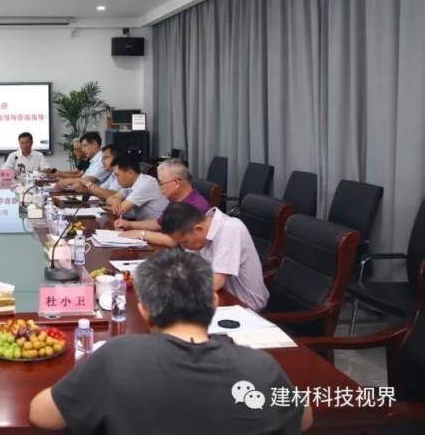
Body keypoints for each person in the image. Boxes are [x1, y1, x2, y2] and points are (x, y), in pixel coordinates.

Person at [28, 248, 312, 435]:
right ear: (214, 303)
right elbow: (304, 418)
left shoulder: (117, 356)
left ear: (143, 310)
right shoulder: (260, 367)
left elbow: (42, 415)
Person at [161, 202, 269, 311]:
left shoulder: (231, 229)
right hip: (220, 297)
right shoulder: (199, 233)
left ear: (199, 229)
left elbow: (217, 280)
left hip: (245, 306)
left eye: (184, 242)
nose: (183, 247)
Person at [116, 159, 211, 246]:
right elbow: (159, 223)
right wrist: (129, 224)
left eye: (161, 183)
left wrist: (141, 234)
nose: (159, 187)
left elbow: (175, 240)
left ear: (176, 183)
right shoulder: (176, 199)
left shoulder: (196, 206)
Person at [102, 154, 169, 222]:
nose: (116, 179)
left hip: (159, 227)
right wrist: (115, 200)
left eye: (117, 175)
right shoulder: (130, 184)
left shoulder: (146, 183)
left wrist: (113, 205)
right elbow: (109, 199)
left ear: (130, 173)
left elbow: (120, 210)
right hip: (142, 224)